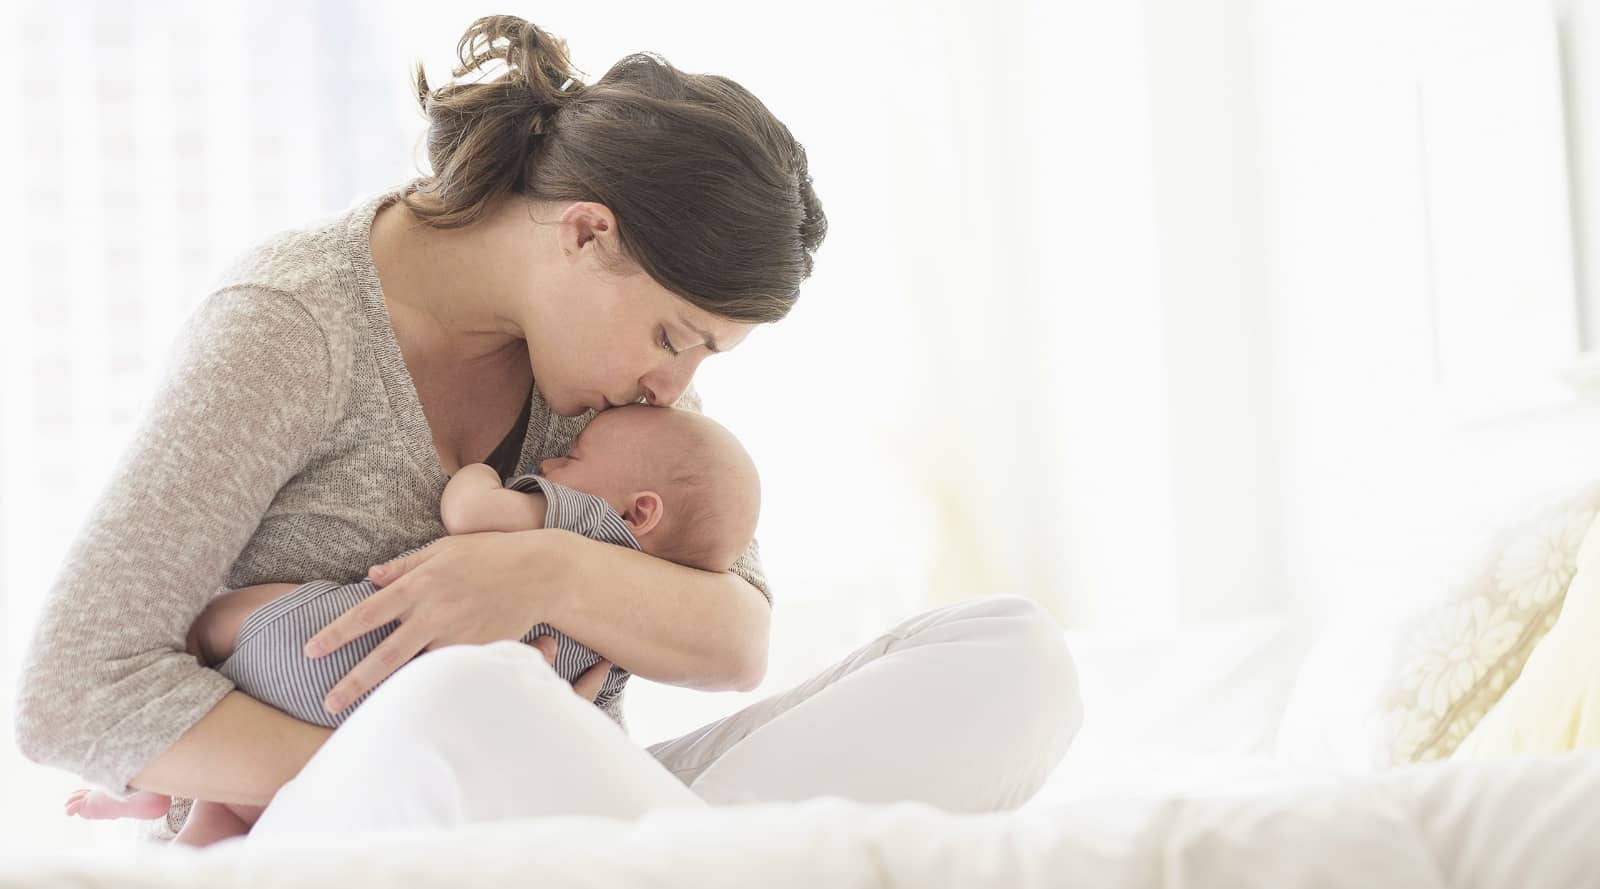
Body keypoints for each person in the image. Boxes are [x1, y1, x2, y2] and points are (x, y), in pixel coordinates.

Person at [12, 14, 1083, 846]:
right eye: (677, 334)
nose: (676, 382)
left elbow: (733, 635)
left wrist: (541, 577)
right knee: (473, 697)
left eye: (705, 353)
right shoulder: (294, 330)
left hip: (578, 815)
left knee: (1011, 656)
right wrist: (411, 754)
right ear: (585, 233)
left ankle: (650, 856)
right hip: (353, 819)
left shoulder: (604, 380)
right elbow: (69, 691)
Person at [59, 404, 761, 846]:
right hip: (387, 715)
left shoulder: (580, 522)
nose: (550, 461)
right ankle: (192, 827)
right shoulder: (641, 613)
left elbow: (472, 516)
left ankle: (165, 784)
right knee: (237, 819)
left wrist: (482, 477)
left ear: (640, 512)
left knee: (221, 620)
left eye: (571, 459)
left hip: (329, 649)